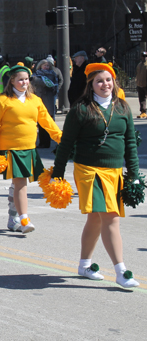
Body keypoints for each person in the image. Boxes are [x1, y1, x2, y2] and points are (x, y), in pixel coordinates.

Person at [52, 63, 140, 289]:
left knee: (95, 218)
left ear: (114, 82)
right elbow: (66, 144)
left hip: (114, 172)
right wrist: (58, 174)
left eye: (108, 80)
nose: (105, 85)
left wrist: (135, 174)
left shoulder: (122, 107)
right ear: (91, 85)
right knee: (111, 216)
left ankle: (84, 264)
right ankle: (121, 270)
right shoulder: (81, 109)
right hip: (88, 170)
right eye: (99, 81)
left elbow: (130, 142)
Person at [0, 65, 62, 233]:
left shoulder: (35, 100)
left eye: (26, 79)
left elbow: (47, 122)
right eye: (20, 79)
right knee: (21, 183)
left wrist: (61, 138)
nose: (24, 82)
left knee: (17, 185)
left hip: (29, 148)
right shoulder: (2, 101)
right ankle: (24, 219)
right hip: (11, 148)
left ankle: (13, 218)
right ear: (12, 80)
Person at [30, 59, 59, 148]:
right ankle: (41, 142)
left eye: (48, 66)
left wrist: (35, 79)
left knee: (46, 121)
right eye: (44, 65)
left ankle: (46, 142)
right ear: (40, 66)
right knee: (39, 122)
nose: (46, 67)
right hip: (38, 97)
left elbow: (46, 83)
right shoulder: (37, 74)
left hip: (47, 99)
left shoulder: (51, 74)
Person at [135, 51, 147, 118]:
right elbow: (137, 73)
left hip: (146, 84)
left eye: (145, 56)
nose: (144, 58)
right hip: (140, 84)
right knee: (141, 99)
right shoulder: (139, 64)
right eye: (143, 56)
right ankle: (143, 112)